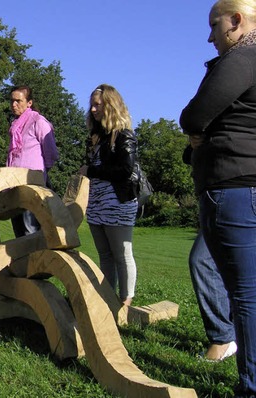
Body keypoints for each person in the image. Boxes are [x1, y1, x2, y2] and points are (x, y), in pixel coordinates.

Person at [180, 1, 256, 394]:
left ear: (237, 21)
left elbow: (192, 117)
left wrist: (200, 132)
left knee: (245, 295)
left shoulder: (244, 55)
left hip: (236, 187)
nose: (210, 36)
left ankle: (251, 386)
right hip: (243, 185)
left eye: (215, 25)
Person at [78, 84, 138, 307]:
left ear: (110, 105)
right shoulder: (96, 137)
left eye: (97, 104)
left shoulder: (124, 135)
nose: (92, 109)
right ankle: (107, 299)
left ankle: (126, 302)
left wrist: (91, 171)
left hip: (118, 203)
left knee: (122, 253)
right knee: (105, 255)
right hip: (96, 204)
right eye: (91, 104)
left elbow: (126, 170)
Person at [183, 145, 236, 362]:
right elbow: (188, 154)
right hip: (219, 193)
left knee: (202, 261)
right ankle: (227, 336)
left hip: (240, 192)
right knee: (205, 261)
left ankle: (224, 339)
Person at [6, 85, 59, 237]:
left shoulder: (38, 121)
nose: (14, 104)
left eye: (18, 101)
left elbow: (52, 153)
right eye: (12, 101)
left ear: (29, 103)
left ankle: (36, 261)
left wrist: (40, 174)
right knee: (19, 232)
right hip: (14, 185)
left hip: (32, 186)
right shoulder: (15, 125)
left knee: (31, 231)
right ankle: (23, 262)